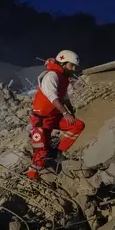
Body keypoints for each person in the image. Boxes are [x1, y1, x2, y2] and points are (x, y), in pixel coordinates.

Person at [27, 50, 85, 179]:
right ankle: (32, 178)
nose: (74, 69)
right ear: (63, 64)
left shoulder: (62, 78)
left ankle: (57, 153)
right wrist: (65, 113)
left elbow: (63, 97)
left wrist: (71, 110)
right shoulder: (51, 76)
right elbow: (53, 97)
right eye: (72, 65)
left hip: (54, 117)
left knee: (77, 125)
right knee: (40, 153)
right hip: (41, 120)